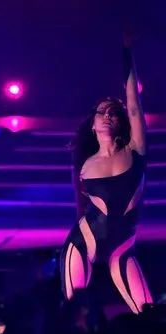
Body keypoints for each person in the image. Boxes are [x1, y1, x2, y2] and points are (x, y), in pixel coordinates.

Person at [60, 29, 152, 314]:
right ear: (93, 123)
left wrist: (127, 54)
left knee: (148, 312)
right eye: (103, 111)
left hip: (121, 245)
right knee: (74, 315)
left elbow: (134, 104)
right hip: (83, 240)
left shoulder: (135, 150)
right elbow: (80, 205)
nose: (109, 115)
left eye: (114, 112)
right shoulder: (85, 164)